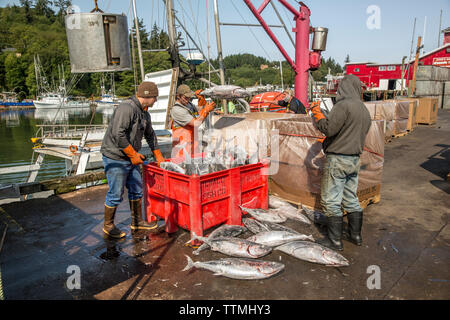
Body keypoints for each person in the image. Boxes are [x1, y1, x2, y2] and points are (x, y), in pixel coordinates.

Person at [309, 74, 371, 251]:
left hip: (338, 159)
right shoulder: (363, 109)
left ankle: (334, 241)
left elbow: (328, 129)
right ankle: (355, 235)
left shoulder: (342, 106)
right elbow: (355, 130)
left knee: (330, 200)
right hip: (354, 159)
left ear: (343, 87)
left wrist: (317, 114)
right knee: (351, 197)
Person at [100, 81, 165, 239]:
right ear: (147, 95)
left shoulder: (144, 113)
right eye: (155, 97)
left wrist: (159, 156)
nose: (155, 101)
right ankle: (108, 225)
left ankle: (136, 221)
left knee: (136, 189)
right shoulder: (127, 108)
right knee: (115, 193)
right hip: (115, 157)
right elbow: (118, 134)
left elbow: (150, 135)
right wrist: (133, 155)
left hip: (130, 158)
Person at [171, 84, 215, 158]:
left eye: (189, 97)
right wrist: (206, 111)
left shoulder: (188, 104)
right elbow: (196, 123)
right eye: (185, 97)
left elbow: (199, 110)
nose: (188, 100)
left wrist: (201, 99)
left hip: (192, 144)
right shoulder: (177, 110)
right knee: (184, 167)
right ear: (178, 96)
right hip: (182, 149)